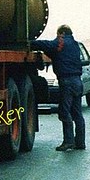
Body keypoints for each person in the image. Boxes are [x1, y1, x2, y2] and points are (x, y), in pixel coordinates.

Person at [33, 24, 85, 152]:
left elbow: (47, 45)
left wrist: (30, 43)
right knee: (77, 113)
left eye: (58, 35)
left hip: (66, 82)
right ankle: (80, 142)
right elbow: (57, 53)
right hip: (78, 81)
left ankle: (68, 142)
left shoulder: (61, 42)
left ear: (62, 33)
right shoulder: (76, 45)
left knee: (64, 112)